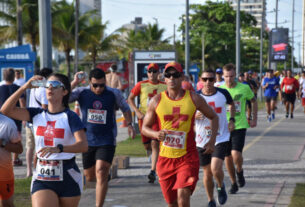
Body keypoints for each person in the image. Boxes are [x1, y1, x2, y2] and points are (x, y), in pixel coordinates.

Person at [1, 73, 88, 207]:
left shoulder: (70, 117)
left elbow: (83, 146)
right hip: (42, 175)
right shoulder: (36, 114)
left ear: (64, 91)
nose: (50, 89)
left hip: (67, 173)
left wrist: (59, 149)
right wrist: (24, 87)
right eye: (47, 86)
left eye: (55, 85)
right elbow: (5, 110)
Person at [142, 62, 219, 207]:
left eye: (176, 75)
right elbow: (145, 128)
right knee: (172, 203)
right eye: (168, 75)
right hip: (165, 160)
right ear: (164, 78)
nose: (172, 78)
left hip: (187, 158)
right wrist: (156, 133)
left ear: (182, 77)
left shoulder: (194, 98)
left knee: (183, 198)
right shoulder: (156, 101)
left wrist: (211, 140)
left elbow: (214, 117)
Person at [70, 68, 135, 207]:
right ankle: (104, 177)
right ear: (89, 83)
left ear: (105, 82)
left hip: (107, 139)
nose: (99, 88)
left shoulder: (113, 93)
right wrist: (74, 82)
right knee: (90, 177)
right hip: (87, 140)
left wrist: (130, 124)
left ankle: (98, 204)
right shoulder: (82, 92)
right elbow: (63, 96)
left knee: (101, 170)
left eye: (102, 85)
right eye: (95, 85)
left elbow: (126, 108)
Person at [195, 69, 235, 207]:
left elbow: (232, 104)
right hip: (201, 140)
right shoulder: (195, 97)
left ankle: (220, 185)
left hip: (220, 137)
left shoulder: (223, 93)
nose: (208, 82)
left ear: (215, 80)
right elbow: (186, 114)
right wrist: (194, 116)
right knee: (207, 173)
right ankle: (210, 200)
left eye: (211, 79)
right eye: (205, 79)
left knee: (216, 169)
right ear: (201, 80)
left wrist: (232, 120)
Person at [219, 63, 258, 194]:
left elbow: (253, 101)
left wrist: (253, 118)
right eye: (226, 76)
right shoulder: (219, 89)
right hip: (224, 127)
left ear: (235, 75)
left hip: (239, 124)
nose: (229, 79)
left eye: (231, 76)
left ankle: (239, 171)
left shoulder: (244, 88)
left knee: (236, 154)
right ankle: (233, 182)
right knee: (227, 157)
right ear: (223, 76)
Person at [128, 63, 167, 183]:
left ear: (158, 72)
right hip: (144, 119)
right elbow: (130, 99)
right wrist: (137, 112)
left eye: (154, 71)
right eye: (149, 71)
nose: (152, 74)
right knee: (147, 146)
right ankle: (154, 160)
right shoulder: (141, 85)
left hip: (157, 119)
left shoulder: (164, 86)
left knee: (155, 143)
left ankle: (153, 171)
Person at [25, 68, 52, 177]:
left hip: (29, 120)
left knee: (29, 147)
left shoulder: (34, 88)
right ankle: (38, 170)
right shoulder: (42, 89)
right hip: (39, 122)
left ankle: (29, 171)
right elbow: (45, 108)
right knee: (40, 147)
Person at [0, 68, 26, 167]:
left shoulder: (0, 88)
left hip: (2, 118)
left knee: (3, 138)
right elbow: (22, 101)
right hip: (16, 117)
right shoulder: (18, 88)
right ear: (14, 77)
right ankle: (15, 160)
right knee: (16, 139)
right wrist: (24, 117)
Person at [0, 113, 23, 207]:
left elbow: (19, 149)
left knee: (7, 204)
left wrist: (3, 143)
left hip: (4, 174)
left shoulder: (8, 124)